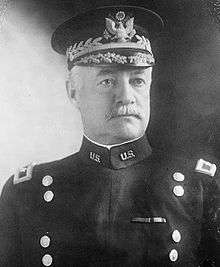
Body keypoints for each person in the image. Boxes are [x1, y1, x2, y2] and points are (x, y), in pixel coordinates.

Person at [0, 5, 219, 267]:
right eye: (107, 81)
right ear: (73, 92)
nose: (126, 97)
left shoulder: (201, 187)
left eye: (137, 81)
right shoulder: (26, 193)